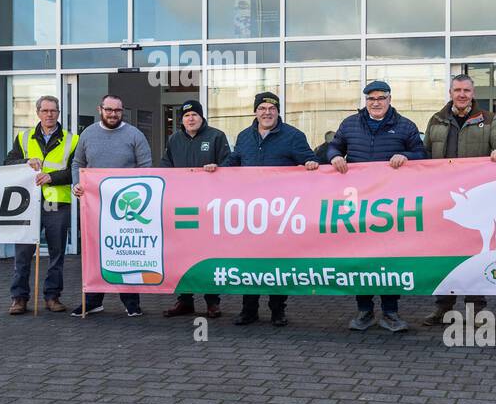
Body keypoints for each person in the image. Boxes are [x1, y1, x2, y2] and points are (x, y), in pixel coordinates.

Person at [325, 79, 428, 333]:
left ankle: (391, 312)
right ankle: (364, 311)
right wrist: (335, 156)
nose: (376, 103)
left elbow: (423, 154)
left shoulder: (405, 126)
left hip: (390, 207)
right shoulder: (350, 124)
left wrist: (407, 156)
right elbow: (334, 146)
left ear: (389, 99)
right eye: (371, 99)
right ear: (366, 101)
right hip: (358, 207)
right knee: (360, 259)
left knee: (389, 259)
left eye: (381, 98)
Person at [216, 92, 319, 327]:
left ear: (278, 111)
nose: (267, 112)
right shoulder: (244, 136)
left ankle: (277, 310)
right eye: (262, 108)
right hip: (251, 213)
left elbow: (310, 160)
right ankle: (248, 309)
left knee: (276, 263)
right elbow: (234, 162)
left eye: (271, 108)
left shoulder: (293, 136)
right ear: (255, 111)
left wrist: (311, 164)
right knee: (249, 262)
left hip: (279, 214)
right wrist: (217, 170)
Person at [420, 73, 496, 327]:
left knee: (474, 254)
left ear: (473, 94)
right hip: (445, 201)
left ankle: (476, 309)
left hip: (476, 202)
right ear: (450, 93)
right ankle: (442, 308)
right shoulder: (436, 120)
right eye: (457, 90)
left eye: (467, 91)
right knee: (446, 254)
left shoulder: (489, 119)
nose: (462, 95)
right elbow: (423, 153)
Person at [71, 94, 152, 317]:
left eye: (117, 110)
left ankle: (131, 302)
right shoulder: (88, 134)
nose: (113, 114)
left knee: (127, 251)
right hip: (95, 206)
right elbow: (78, 163)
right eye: (109, 110)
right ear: (100, 109)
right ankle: (93, 300)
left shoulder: (135, 135)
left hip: (128, 209)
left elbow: (146, 168)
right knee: (94, 253)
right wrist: (76, 184)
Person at [3, 95, 78, 315]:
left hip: (57, 203)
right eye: (45, 111)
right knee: (23, 253)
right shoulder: (24, 137)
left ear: (58, 113)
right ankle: (19, 298)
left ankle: (52, 297)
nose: (49, 115)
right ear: (38, 113)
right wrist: (25, 163)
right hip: (28, 203)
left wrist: (52, 177)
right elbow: (8, 163)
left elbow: (75, 170)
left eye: (53, 111)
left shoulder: (72, 139)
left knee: (56, 253)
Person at [161, 100, 231, 320]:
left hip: (208, 206)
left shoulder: (216, 136)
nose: (190, 118)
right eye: (186, 116)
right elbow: (165, 165)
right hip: (182, 206)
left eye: (194, 115)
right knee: (182, 253)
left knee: (208, 253)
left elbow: (230, 164)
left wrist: (218, 168)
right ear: (182, 120)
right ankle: (185, 300)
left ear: (202, 117)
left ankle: (212, 301)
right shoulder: (174, 139)